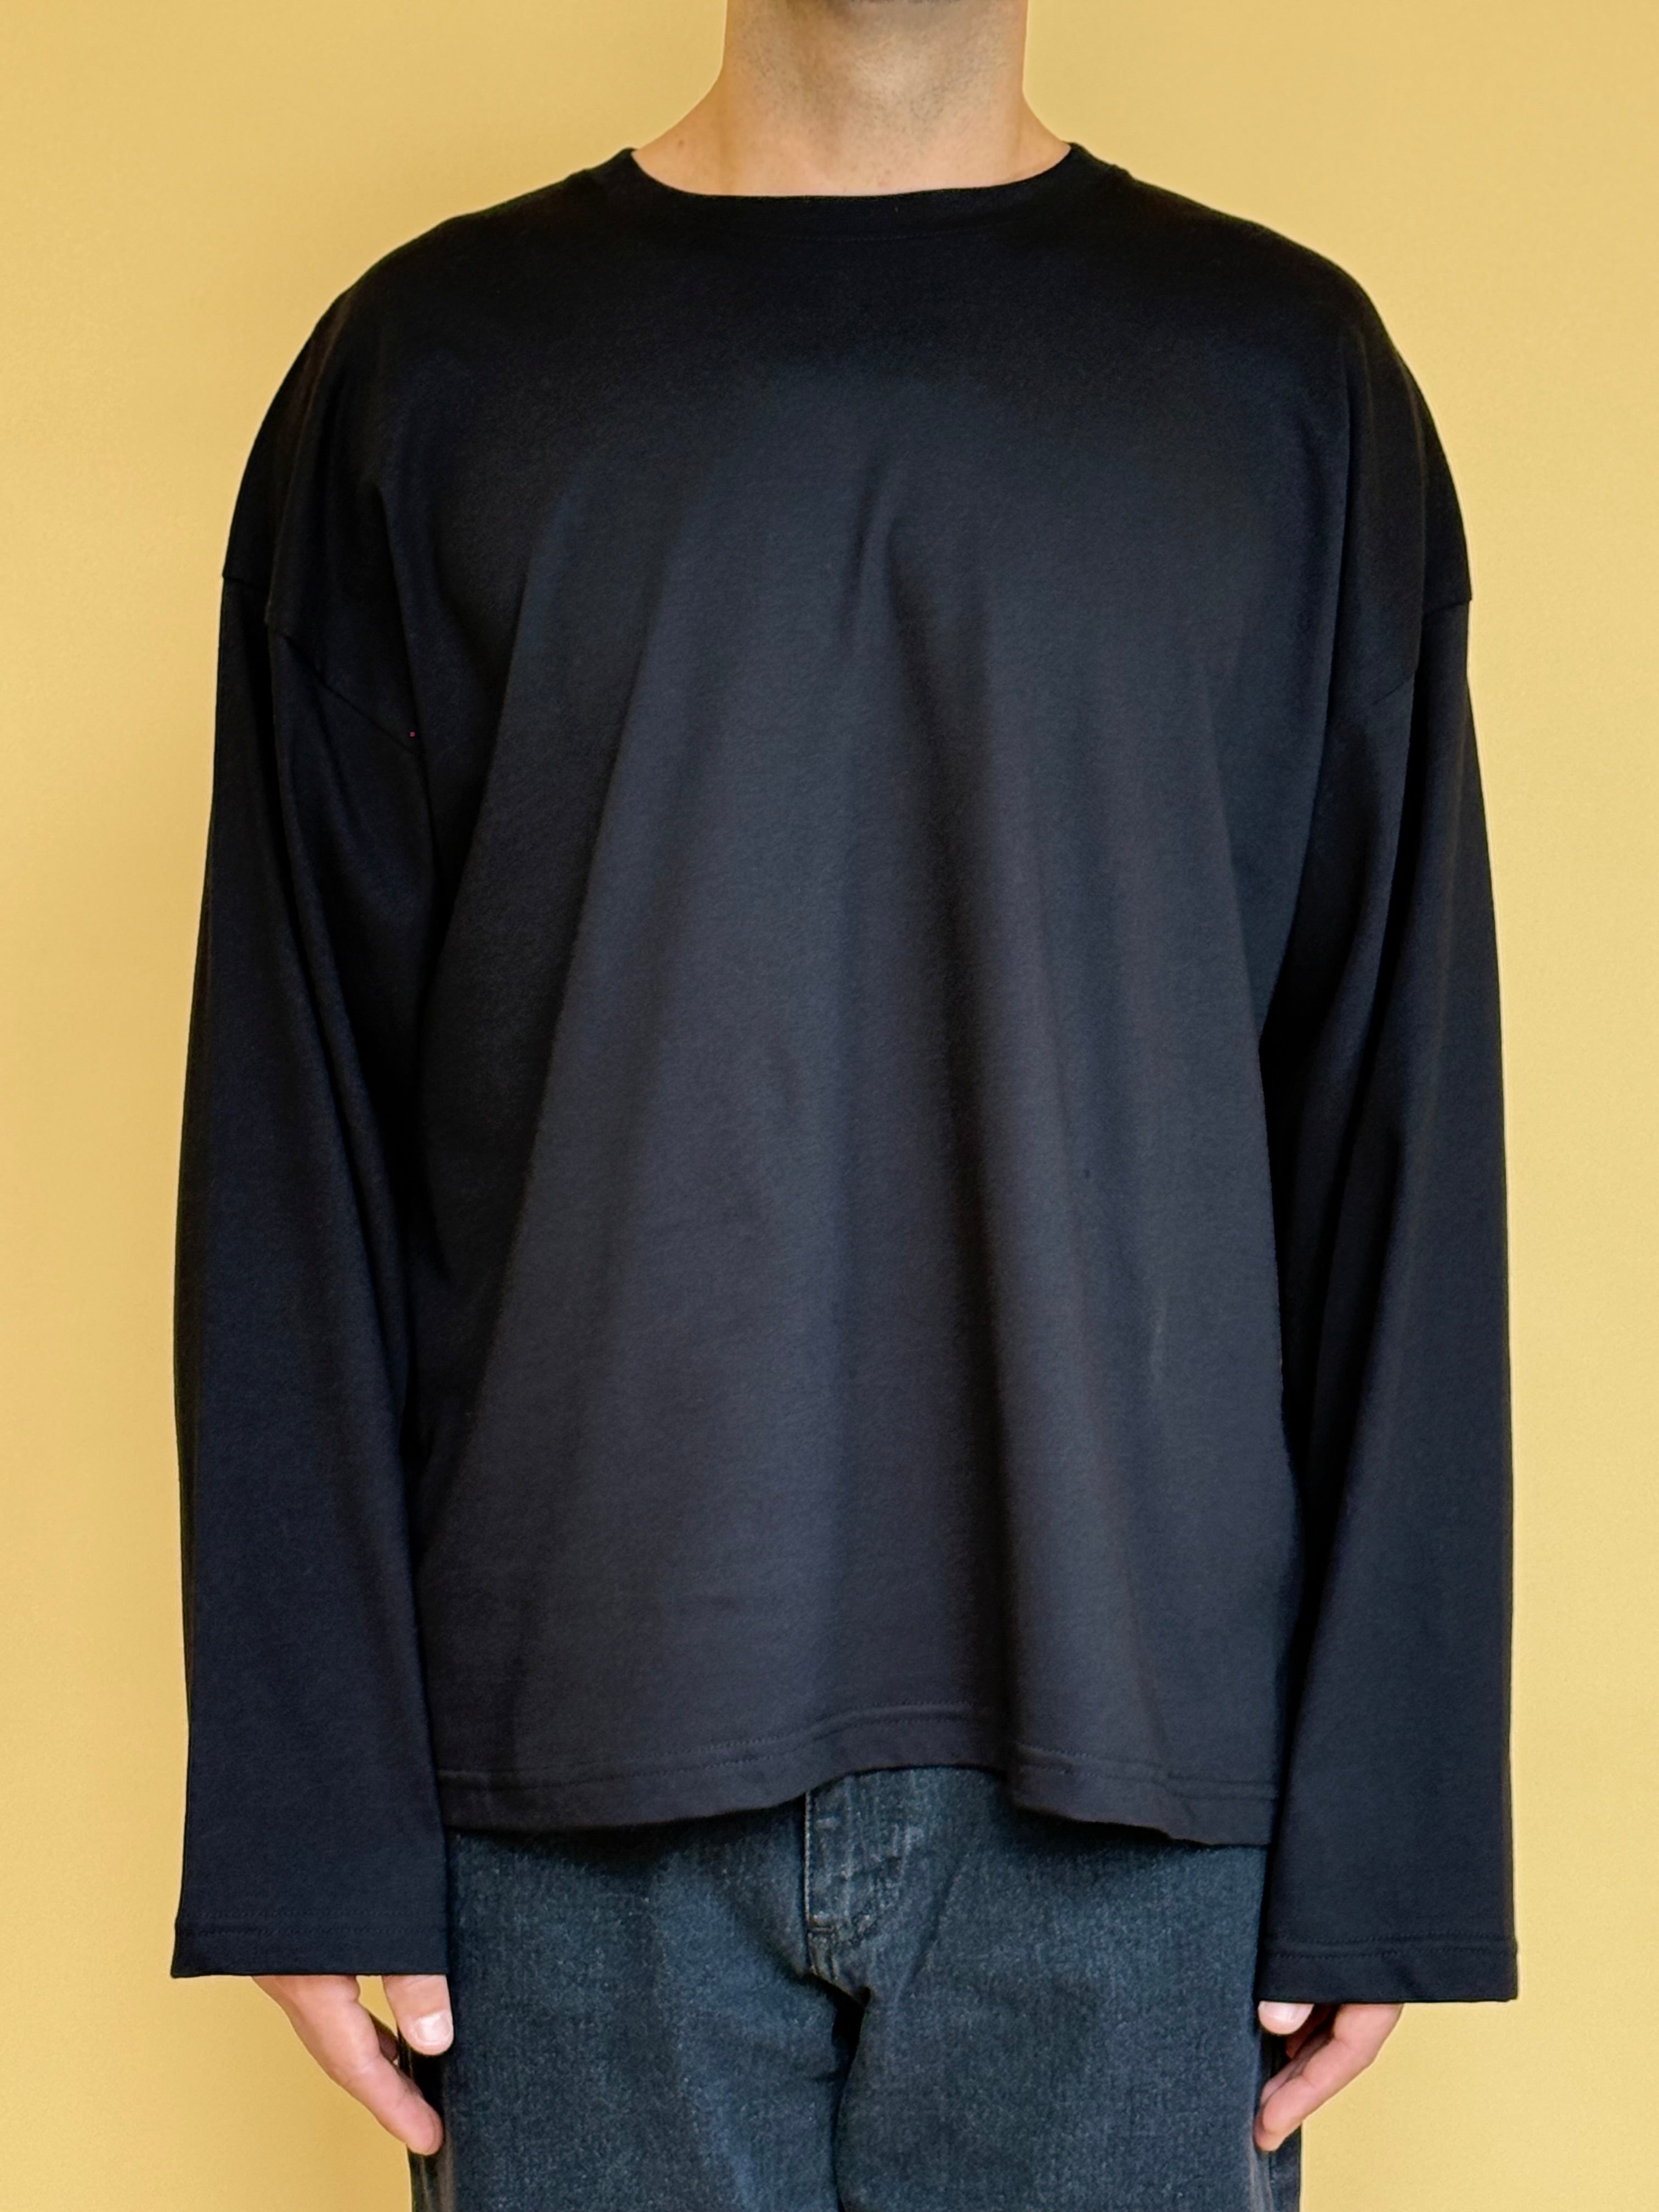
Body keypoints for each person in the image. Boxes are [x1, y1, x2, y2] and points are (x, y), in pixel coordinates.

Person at [168, 1, 1517, 2204]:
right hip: (561, 1795)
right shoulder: (424, 377)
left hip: (1148, 1794)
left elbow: (1396, 1105)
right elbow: (292, 1116)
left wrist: (1397, 1820)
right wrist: (307, 1812)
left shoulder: (1290, 383)